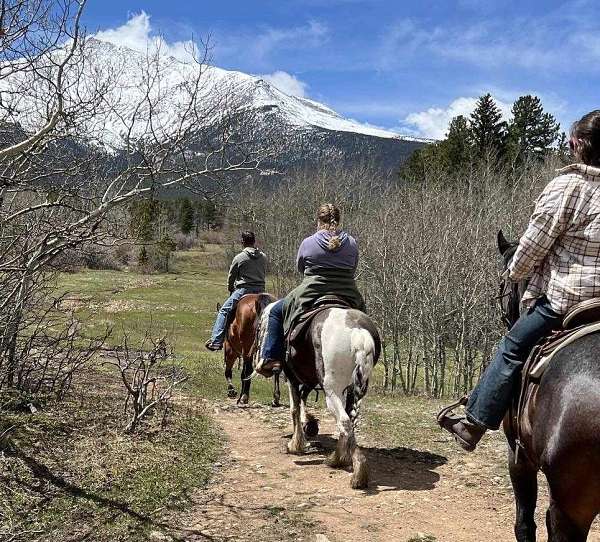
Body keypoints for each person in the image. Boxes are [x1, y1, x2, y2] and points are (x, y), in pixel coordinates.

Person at [438, 110, 600, 451]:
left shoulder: (567, 187)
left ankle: (475, 423)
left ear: (580, 146)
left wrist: (514, 272)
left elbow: (531, 248)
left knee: (512, 346)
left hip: (567, 301)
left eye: (572, 143)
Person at [255, 203, 365, 377]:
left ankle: (271, 357)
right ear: (339, 219)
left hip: (312, 290)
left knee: (275, 311)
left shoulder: (309, 242)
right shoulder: (351, 242)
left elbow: (300, 267)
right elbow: (353, 268)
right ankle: (368, 353)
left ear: (318, 220)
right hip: (347, 291)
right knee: (364, 320)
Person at [205, 231, 267, 351]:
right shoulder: (263, 257)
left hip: (244, 290)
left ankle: (216, 341)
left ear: (242, 242)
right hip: (261, 292)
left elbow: (231, 277)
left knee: (223, 311)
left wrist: (230, 288)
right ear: (254, 241)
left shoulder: (239, 257)